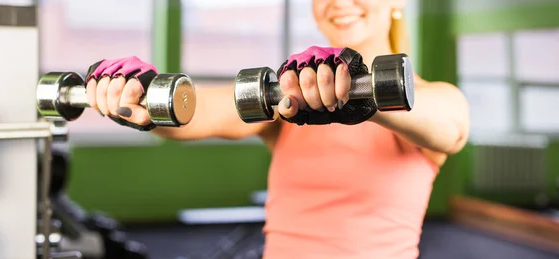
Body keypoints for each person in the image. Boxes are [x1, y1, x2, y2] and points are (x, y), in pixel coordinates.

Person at [84, 0, 470, 258]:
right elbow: (197, 111)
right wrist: (145, 96)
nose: (339, 2)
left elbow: (447, 127)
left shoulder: (434, 97)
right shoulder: (285, 96)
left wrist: (361, 98)